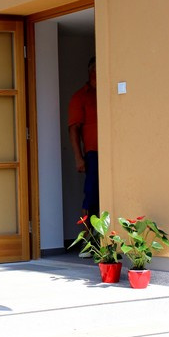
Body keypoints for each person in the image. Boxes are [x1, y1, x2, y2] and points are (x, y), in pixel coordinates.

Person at [68, 56, 98, 218]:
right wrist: (78, 158)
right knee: (91, 196)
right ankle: (87, 232)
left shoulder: (107, 93)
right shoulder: (80, 97)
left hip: (112, 152)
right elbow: (73, 128)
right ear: (91, 72)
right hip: (92, 153)